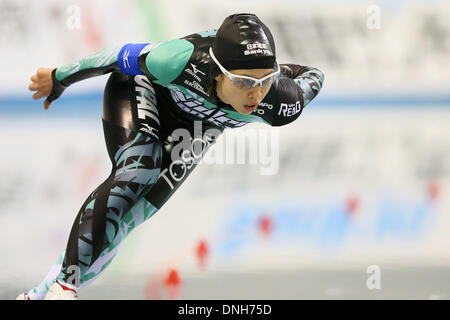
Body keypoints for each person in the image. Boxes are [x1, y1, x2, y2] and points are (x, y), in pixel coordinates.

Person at [18, 13, 324, 300]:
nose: (255, 95)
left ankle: (39, 293)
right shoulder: (176, 60)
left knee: (129, 219)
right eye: (244, 82)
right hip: (142, 89)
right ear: (218, 74)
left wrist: (277, 74)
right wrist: (59, 78)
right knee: (139, 172)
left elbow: (315, 75)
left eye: (264, 81)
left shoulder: (280, 101)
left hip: (200, 127)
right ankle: (65, 285)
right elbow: (114, 57)